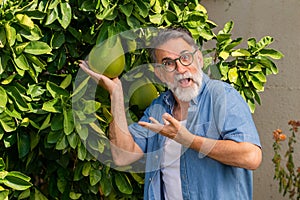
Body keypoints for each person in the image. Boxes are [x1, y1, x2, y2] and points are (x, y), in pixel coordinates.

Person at [79, 27, 262, 200]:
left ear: (199, 59)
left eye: (185, 58)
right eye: (168, 63)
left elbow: (251, 156)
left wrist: (189, 140)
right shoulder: (159, 108)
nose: (180, 69)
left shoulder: (222, 96)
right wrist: (116, 95)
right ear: (159, 73)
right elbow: (122, 156)